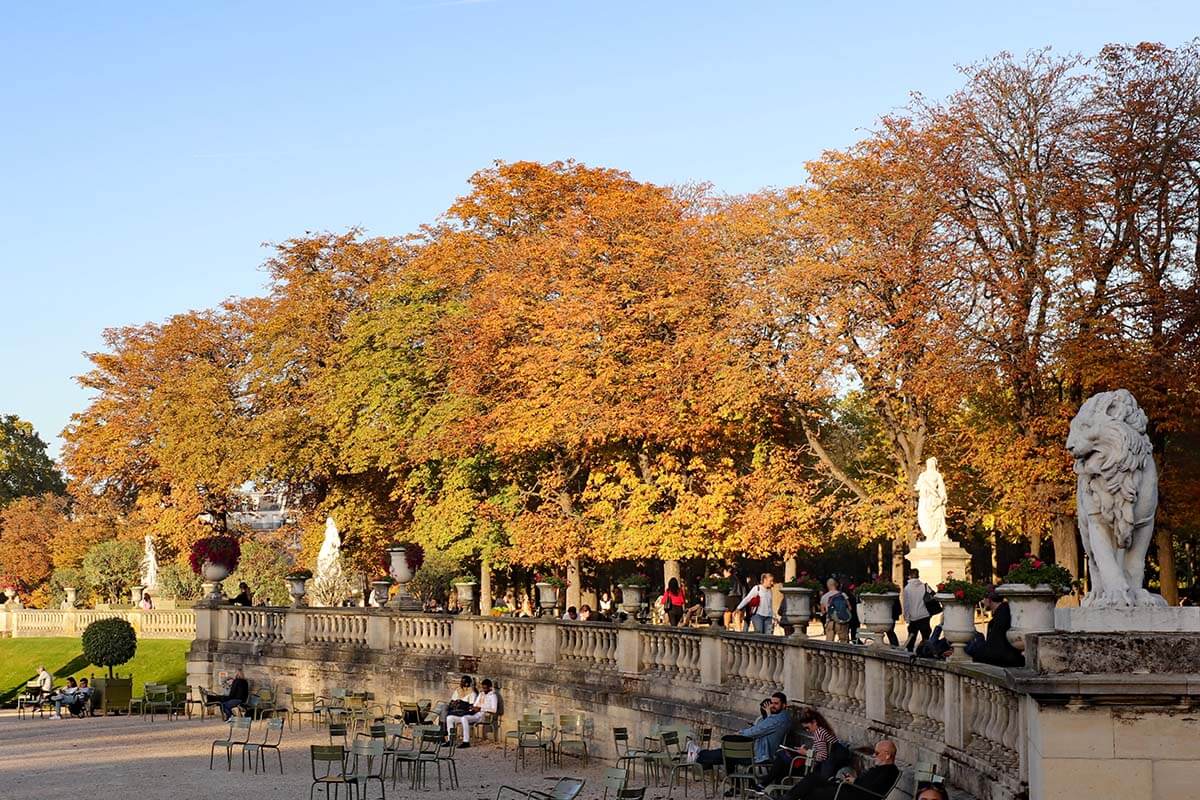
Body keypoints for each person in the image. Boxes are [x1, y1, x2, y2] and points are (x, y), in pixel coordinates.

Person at [694, 692, 791, 770]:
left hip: (760, 756)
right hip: (758, 752)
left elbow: (758, 730)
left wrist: (740, 733)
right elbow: (762, 728)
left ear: (784, 705)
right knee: (726, 754)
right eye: (772, 703)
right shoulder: (776, 718)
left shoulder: (779, 719)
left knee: (724, 754)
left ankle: (698, 755)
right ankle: (702, 758)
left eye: (776, 703)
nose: (772, 706)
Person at [783, 738, 899, 800]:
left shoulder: (889, 771)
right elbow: (867, 783)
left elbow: (871, 789)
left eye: (877, 753)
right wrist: (853, 780)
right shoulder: (881, 767)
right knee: (814, 778)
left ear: (887, 755)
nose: (874, 755)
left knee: (814, 792)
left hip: (854, 795)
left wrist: (855, 781)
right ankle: (787, 798)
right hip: (852, 789)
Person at [971, 588, 1023, 667]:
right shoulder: (1003, 611)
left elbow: (995, 644)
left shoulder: (1002, 614)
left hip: (1004, 658)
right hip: (1004, 655)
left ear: (989, 600)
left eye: (984, 599)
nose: (982, 602)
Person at [445, 678, 497, 748]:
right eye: (483, 688)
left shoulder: (493, 696)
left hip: (482, 715)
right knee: (450, 718)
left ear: (490, 687)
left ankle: (466, 741)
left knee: (464, 718)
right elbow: (475, 704)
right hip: (473, 713)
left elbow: (494, 710)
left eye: (485, 688)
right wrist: (473, 707)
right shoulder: (481, 694)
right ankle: (450, 740)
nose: (484, 690)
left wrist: (481, 708)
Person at [902, 569, 932, 652]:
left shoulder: (907, 588)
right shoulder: (925, 586)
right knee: (926, 637)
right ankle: (925, 652)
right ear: (918, 575)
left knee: (911, 638)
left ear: (909, 576)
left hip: (913, 617)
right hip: (925, 615)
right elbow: (933, 597)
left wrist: (907, 618)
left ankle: (910, 654)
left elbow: (906, 605)